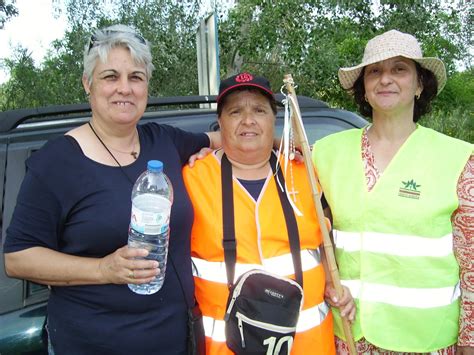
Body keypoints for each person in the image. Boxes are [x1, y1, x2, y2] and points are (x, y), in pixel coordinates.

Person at [3, 24, 220, 354]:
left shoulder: (164, 140)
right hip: (93, 342)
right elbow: (18, 259)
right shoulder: (56, 162)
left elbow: (232, 139)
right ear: (88, 85)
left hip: (175, 338)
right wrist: (104, 269)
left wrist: (285, 143)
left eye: (136, 77)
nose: (125, 88)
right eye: (110, 77)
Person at [312, 29, 473, 354]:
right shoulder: (324, 153)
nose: (385, 79)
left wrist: (470, 343)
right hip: (349, 336)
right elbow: (310, 233)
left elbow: (471, 265)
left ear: (419, 85)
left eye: (399, 69)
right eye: (375, 71)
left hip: (427, 341)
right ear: (364, 89)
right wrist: (212, 145)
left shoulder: (460, 158)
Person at [183, 72, 355, 354]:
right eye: (235, 111)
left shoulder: (303, 172)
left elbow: (323, 240)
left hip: (309, 346)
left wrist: (333, 285)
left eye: (259, 110)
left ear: (273, 120)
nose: (248, 120)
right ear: (220, 122)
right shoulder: (191, 178)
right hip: (225, 348)